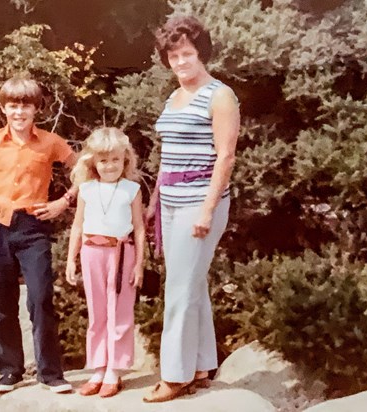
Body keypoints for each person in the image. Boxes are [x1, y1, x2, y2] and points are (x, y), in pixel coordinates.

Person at [0, 76, 77, 394]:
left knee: (40, 298)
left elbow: (85, 170)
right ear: (3, 108)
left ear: (36, 109)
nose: (19, 112)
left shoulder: (50, 142)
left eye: (26, 106)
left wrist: (62, 202)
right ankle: (10, 371)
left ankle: (50, 372)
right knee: (2, 300)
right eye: (13, 106)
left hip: (34, 227)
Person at [143, 15, 241, 402]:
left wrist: (206, 210)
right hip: (170, 201)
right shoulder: (175, 96)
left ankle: (174, 376)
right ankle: (200, 366)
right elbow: (168, 156)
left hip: (200, 203)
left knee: (179, 291)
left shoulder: (220, 95)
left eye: (187, 54)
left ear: (201, 54)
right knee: (192, 285)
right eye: (173, 55)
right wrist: (154, 202)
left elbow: (226, 157)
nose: (180, 62)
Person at [65, 127, 145, 398]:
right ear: (93, 162)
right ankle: (98, 367)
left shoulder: (131, 189)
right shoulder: (86, 189)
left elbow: (139, 228)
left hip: (121, 253)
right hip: (91, 252)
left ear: (125, 160)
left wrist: (139, 264)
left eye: (115, 160)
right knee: (97, 312)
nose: (109, 166)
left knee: (120, 312)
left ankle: (115, 369)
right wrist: (70, 260)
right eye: (103, 160)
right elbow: (77, 227)